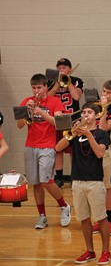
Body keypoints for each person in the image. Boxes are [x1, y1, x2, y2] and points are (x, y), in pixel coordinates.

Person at [56, 102, 111, 265]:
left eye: (89, 112)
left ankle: (106, 252)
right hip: (77, 181)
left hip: (94, 182)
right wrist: (71, 134)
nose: (86, 115)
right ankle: (90, 251)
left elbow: (100, 153)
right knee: (84, 218)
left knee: (101, 218)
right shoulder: (75, 134)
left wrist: (88, 134)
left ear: (96, 116)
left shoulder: (102, 134)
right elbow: (57, 147)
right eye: (84, 112)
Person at [17, 73, 71, 229]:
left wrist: (41, 112)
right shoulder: (27, 101)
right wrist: (27, 112)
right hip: (30, 146)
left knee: (46, 180)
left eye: (39, 88)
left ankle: (64, 205)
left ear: (46, 87)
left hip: (48, 146)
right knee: (36, 183)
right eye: (34, 88)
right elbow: (20, 125)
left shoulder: (55, 101)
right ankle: (42, 216)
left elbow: (59, 123)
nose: (36, 91)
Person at [48, 58, 84, 188]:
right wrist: (57, 84)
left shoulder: (77, 81)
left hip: (73, 119)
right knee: (58, 149)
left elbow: (76, 97)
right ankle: (60, 178)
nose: (61, 70)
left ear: (70, 69)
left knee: (74, 150)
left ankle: (75, 176)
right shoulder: (51, 81)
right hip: (57, 120)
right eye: (59, 68)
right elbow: (47, 97)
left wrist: (67, 82)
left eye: (64, 68)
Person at [92, 80, 111, 236]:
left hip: (104, 151)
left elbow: (103, 129)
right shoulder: (93, 106)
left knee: (106, 187)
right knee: (94, 188)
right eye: (103, 91)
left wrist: (103, 110)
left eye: (108, 92)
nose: (104, 94)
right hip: (89, 151)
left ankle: (109, 221)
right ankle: (99, 219)